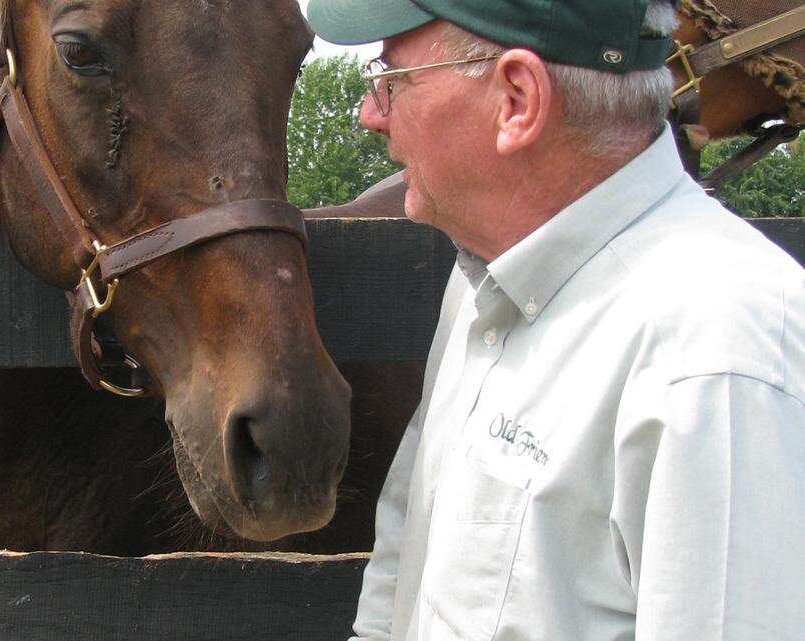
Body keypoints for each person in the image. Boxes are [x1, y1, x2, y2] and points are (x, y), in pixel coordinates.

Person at [305, 1, 805, 640]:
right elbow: (406, 557)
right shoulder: (483, 285)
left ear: (516, 99)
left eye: (391, 80)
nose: (371, 114)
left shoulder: (718, 359)